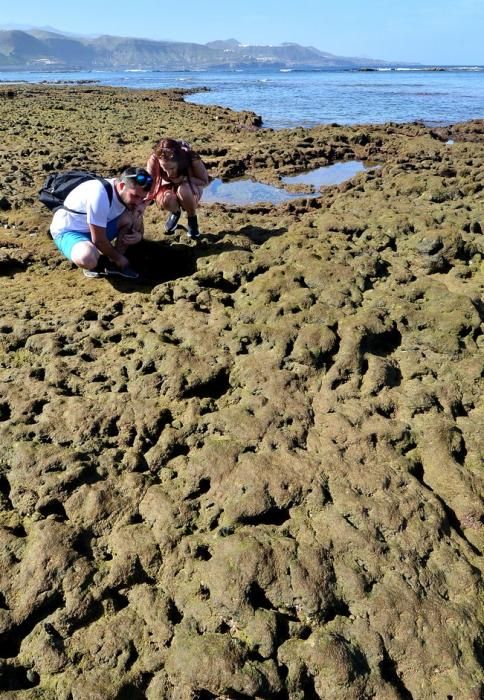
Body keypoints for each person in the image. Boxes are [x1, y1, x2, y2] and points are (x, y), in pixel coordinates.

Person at [49, 167, 153, 279]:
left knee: (130, 217)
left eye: (142, 198)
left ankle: (112, 262)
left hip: (97, 228)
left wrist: (139, 236)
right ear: (122, 186)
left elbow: (136, 223)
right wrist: (121, 260)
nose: (138, 202)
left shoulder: (128, 196)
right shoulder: (100, 194)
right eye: (135, 196)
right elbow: (98, 240)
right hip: (71, 231)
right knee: (87, 257)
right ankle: (110, 260)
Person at [146, 138, 209, 240]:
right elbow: (149, 185)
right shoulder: (154, 160)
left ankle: (192, 219)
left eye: (172, 168)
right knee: (166, 199)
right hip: (167, 187)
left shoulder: (191, 158)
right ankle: (175, 212)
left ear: (179, 161)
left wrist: (183, 179)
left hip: (189, 187)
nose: (169, 174)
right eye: (164, 168)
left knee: (183, 190)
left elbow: (204, 181)